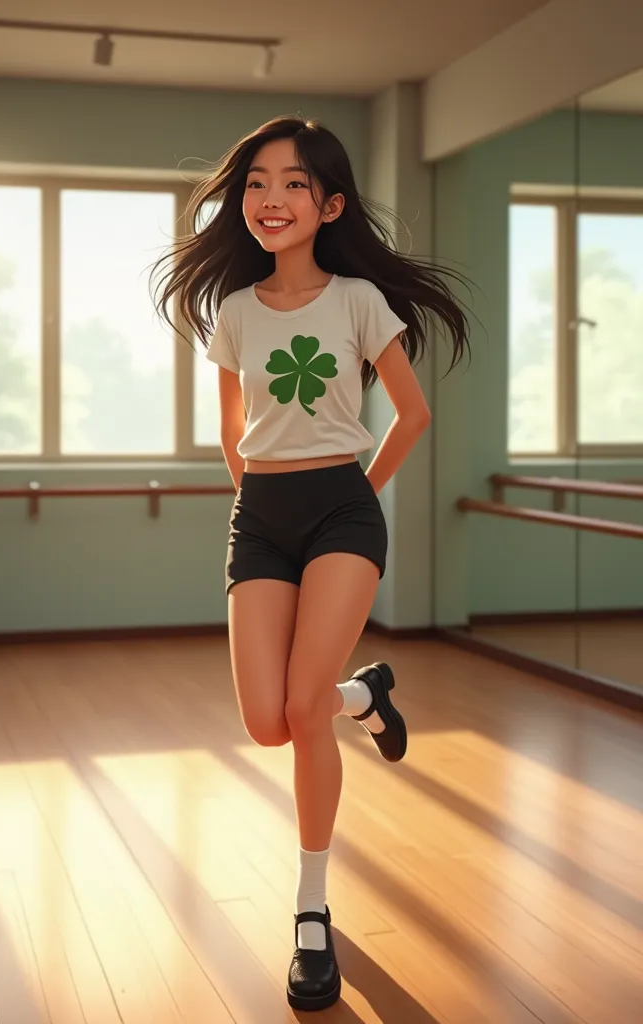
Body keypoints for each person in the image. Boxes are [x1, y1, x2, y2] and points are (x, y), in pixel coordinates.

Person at [151, 114, 470, 1012]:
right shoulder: (236, 313)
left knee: (299, 708)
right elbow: (231, 430)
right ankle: (363, 697)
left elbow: (410, 415)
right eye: (256, 182)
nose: (270, 199)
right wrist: (260, 502)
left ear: (329, 205)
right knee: (267, 720)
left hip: (342, 507)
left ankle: (309, 909)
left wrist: (353, 494)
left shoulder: (360, 301)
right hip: (261, 517)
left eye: (293, 183)